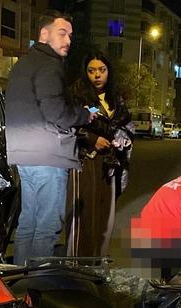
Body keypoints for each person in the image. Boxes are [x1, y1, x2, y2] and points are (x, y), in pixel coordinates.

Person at [5, 11, 95, 266]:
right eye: (62, 33)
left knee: (28, 223)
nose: (68, 40)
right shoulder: (49, 65)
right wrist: (84, 115)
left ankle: (20, 281)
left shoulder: (22, 64)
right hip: (48, 154)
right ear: (44, 35)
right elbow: (56, 112)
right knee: (47, 226)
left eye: (70, 35)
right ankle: (37, 286)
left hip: (23, 154)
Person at [66, 52, 133, 257]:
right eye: (92, 70)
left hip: (110, 163)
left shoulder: (116, 99)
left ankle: (98, 263)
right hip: (85, 161)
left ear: (108, 72)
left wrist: (122, 138)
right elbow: (67, 125)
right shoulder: (76, 96)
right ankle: (78, 265)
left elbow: (127, 124)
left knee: (105, 216)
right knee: (85, 217)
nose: (97, 75)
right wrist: (93, 139)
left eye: (101, 70)